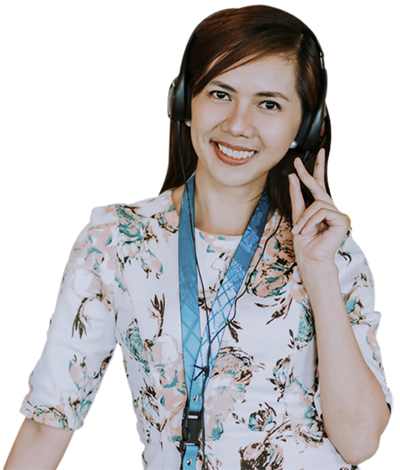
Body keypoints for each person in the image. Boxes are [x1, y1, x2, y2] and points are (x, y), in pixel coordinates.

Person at [5, 5, 392, 470]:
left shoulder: (329, 245)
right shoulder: (118, 239)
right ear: (185, 102)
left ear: (304, 127)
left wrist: (319, 273)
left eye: (269, 103)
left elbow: (360, 442)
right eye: (220, 93)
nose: (237, 124)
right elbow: (50, 421)